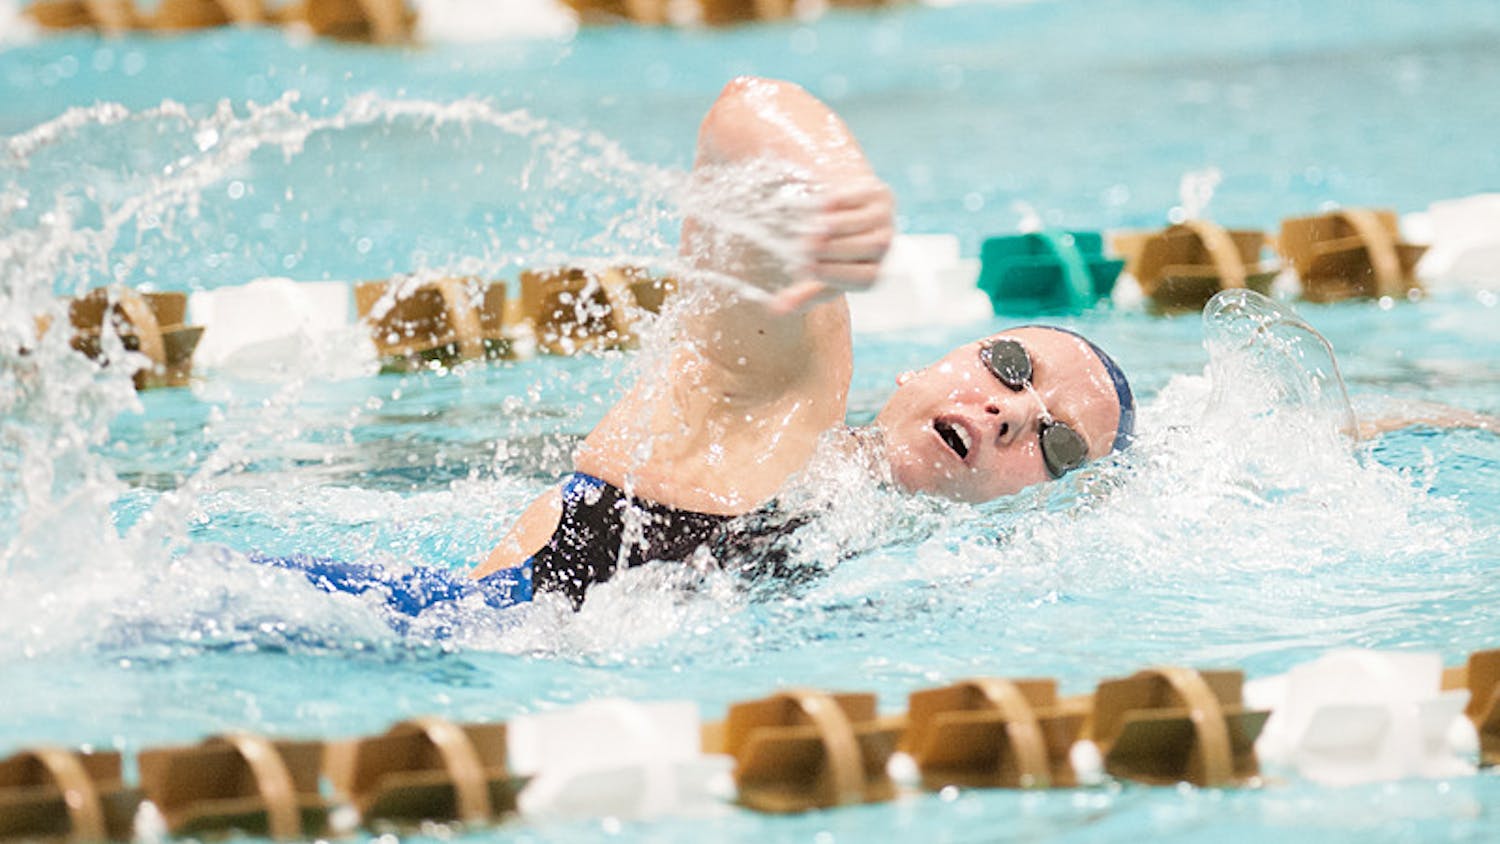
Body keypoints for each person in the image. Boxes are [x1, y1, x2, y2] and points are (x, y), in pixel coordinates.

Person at [468, 77, 1134, 608]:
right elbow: (745, 114)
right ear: (920, 369)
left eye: (1060, 444)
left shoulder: (922, 586)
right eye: (1010, 367)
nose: (1015, 411)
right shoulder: (784, 401)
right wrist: (836, 182)